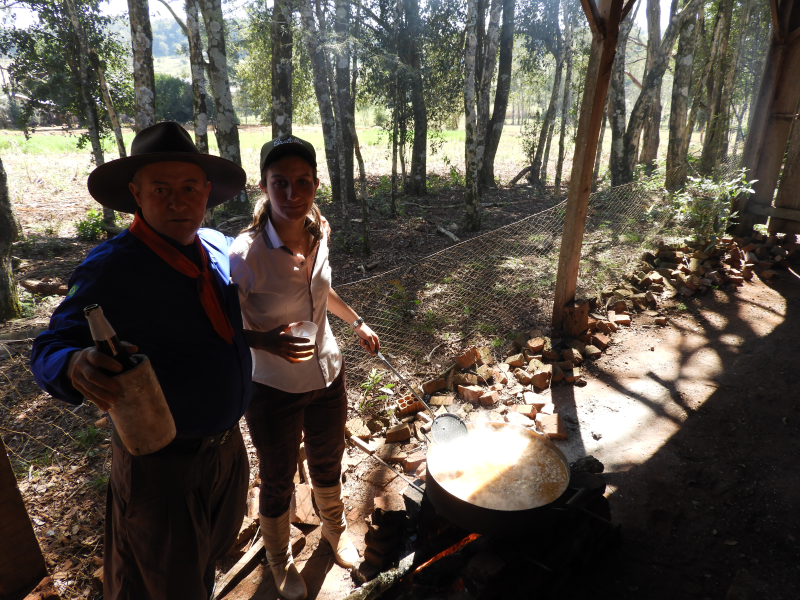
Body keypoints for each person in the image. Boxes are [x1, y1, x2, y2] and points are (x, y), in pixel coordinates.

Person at [30, 122, 253, 600]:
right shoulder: (111, 267)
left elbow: (222, 332)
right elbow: (49, 347)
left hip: (226, 451)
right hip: (162, 469)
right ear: (136, 194)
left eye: (189, 187)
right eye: (160, 189)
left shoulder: (215, 247)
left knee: (207, 561)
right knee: (159, 585)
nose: (177, 202)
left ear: (207, 191)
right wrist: (73, 364)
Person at [229, 134, 379, 600]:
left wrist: (356, 321)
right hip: (273, 387)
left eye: (303, 182)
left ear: (316, 185)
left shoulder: (319, 231)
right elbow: (220, 328)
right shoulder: (245, 256)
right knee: (276, 476)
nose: (292, 194)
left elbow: (321, 289)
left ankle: (334, 529)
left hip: (327, 373)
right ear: (263, 186)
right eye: (280, 183)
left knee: (327, 457)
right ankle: (279, 557)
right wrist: (264, 341)